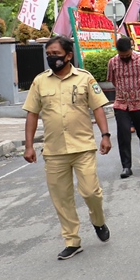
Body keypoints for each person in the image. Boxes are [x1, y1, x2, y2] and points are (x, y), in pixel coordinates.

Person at [23, 35, 113, 260]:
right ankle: (72, 241)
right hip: (54, 152)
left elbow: (99, 108)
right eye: (49, 54)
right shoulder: (40, 81)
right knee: (61, 198)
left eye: (56, 54)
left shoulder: (84, 79)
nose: (52, 58)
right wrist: (29, 146)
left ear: (69, 55)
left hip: (82, 147)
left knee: (91, 192)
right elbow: (32, 114)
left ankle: (98, 221)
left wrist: (105, 135)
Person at [106, 36, 140, 178]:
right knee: (123, 135)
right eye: (122, 55)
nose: (124, 57)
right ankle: (126, 166)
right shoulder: (112, 63)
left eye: (127, 55)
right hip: (121, 103)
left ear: (131, 49)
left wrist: (139, 89)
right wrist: (123, 90)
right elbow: (113, 80)